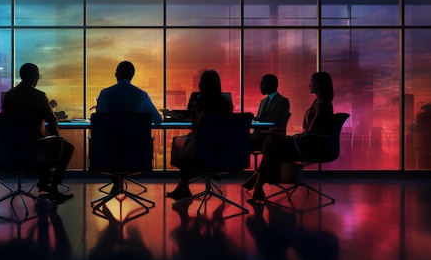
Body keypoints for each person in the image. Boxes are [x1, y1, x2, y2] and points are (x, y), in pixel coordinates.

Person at [244, 71, 335, 201]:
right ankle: (258, 186)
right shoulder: (318, 102)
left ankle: (257, 182)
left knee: (272, 141)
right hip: (306, 141)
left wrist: (295, 137)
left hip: (308, 145)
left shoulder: (323, 104)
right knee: (271, 139)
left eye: (312, 82)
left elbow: (311, 131)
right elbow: (311, 131)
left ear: (319, 84)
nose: (309, 85)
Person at [1, 63, 74, 202]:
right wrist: (56, 139)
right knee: (66, 148)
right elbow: (52, 121)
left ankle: (43, 182)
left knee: (44, 142)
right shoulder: (38, 96)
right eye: (38, 76)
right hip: (34, 147)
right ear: (35, 77)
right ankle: (53, 188)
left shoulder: (9, 96)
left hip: (11, 146)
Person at [95, 61, 163, 192]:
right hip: (136, 153)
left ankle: (116, 181)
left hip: (109, 153)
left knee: (113, 141)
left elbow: (100, 120)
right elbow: (158, 120)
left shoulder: (105, 94)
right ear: (132, 75)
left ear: (117, 74)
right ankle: (118, 181)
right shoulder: (141, 95)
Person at [166, 69, 231, 200]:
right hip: (219, 147)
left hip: (202, 146)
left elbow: (196, 122)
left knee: (178, 143)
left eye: (201, 81)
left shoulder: (201, 103)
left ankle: (184, 188)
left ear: (204, 85)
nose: (199, 84)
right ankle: (182, 188)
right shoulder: (224, 103)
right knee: (185, 144)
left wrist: (174, 115)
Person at [249, 74, 291, 151]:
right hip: (259, 135)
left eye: (263, 83)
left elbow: (276, 121)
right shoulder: (263, 102)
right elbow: (261, 120)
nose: (260, 86)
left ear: (272, 85)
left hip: (270, 137)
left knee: (242, 141)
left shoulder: (283, 101)